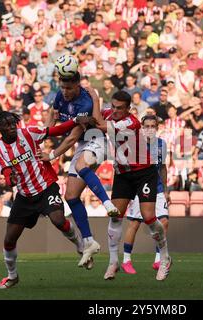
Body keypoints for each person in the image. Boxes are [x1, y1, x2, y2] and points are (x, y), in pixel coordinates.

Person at [0, 111, 93, 289]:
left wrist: (75, 120)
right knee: (9, 239)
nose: (11, 128)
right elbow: (6, 171)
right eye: (6, 125)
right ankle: (12, 276)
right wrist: (10, 180)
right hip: (24, 196)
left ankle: (80, 246)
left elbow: (55, 130)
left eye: (13, 124)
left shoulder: (28, 133)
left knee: (58, 219)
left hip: (46, 187)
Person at [40, 70, 119, 269]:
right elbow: (52, 121)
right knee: (71, 197)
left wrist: (51, 155)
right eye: (62, 87)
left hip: (96, 142)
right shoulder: (60, 95)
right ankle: (89, 241)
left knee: (80, 165)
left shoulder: (85, 102)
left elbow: (72, 137)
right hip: (82, 147)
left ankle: (107, 203)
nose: (65, 92)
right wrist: (44, 132)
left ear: (78, 85)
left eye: (69, 88)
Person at [97, 91, 171, 281]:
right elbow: (98, 114)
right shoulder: (111, 114)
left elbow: (98, 124)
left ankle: (164, 257)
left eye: (120, 108)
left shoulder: (131, 122)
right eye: (113, 106)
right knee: (115, 216)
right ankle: (114, 262)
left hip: (143, 173)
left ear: (128, 109)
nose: (114, 110)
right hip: (123, 173)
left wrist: (90, 97)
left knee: (149, 218)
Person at [121, 115, 169, 275]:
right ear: (141, 127)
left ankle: (158, 259)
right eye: (146, 126)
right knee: (135, 223)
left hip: (158, 188)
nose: (149, 129)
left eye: (153, 126)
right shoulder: (134, 145)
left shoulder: (162, 144)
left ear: (157, 127)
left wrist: (166, 189)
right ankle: (126, 260)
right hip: (138, 189)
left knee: (164, 222)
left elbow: (162, 168)